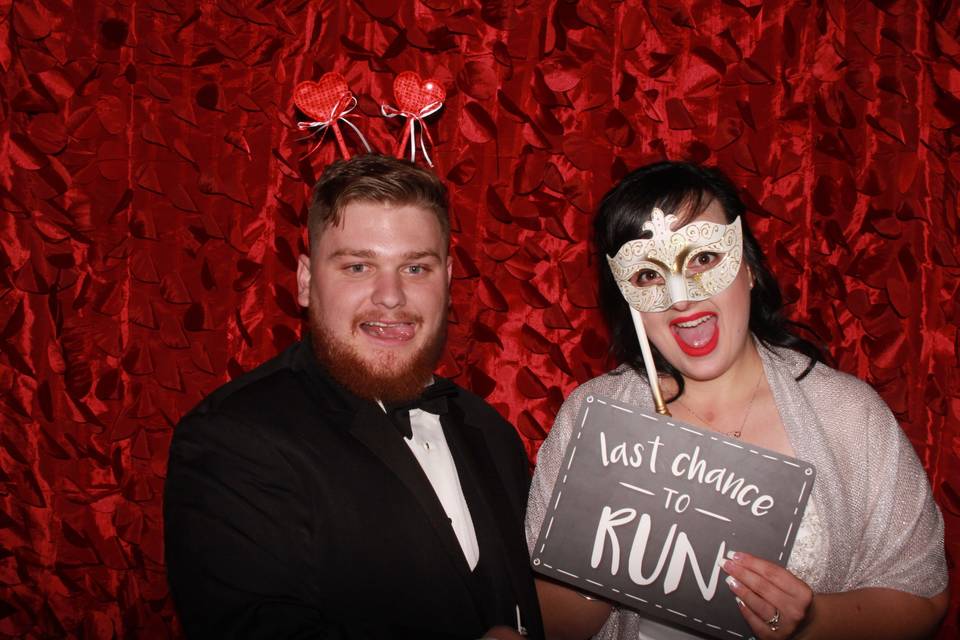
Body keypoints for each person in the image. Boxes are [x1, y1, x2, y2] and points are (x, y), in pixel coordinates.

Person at [525, 161, 948, 640]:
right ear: (627, 295)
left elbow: (923, 595)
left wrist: (812, 621)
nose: (680, 298)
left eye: (703, 259)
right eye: (648, 274)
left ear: (747, 266)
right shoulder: (593, 418)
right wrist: (600, 558)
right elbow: (543, 623)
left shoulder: (847, 415)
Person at [164, 154, 543, 639]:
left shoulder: (491, 433)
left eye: (415, 268)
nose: (390, 296)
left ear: (448, 281)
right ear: (305, 281)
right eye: (359, 265)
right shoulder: (232, 437)